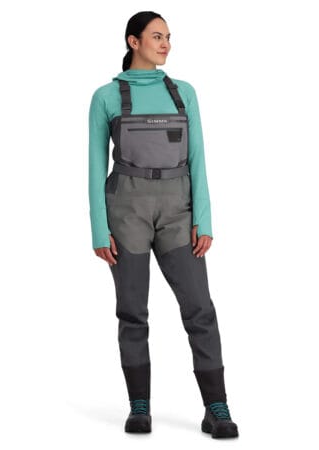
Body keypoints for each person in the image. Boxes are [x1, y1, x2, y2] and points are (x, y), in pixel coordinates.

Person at [88, 11, 239, 439]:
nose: (166, 44)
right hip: (127, 211)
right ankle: (140, 406)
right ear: (133, 41)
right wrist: (99, 228)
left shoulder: (183, 92)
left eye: (168, 37)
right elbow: (95, 166)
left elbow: (198, 158)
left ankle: (216, 407)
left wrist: (203, 219)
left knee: (200, 308)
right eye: (157, 36)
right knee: (132, 311)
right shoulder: (106, 96)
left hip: (177, 211)